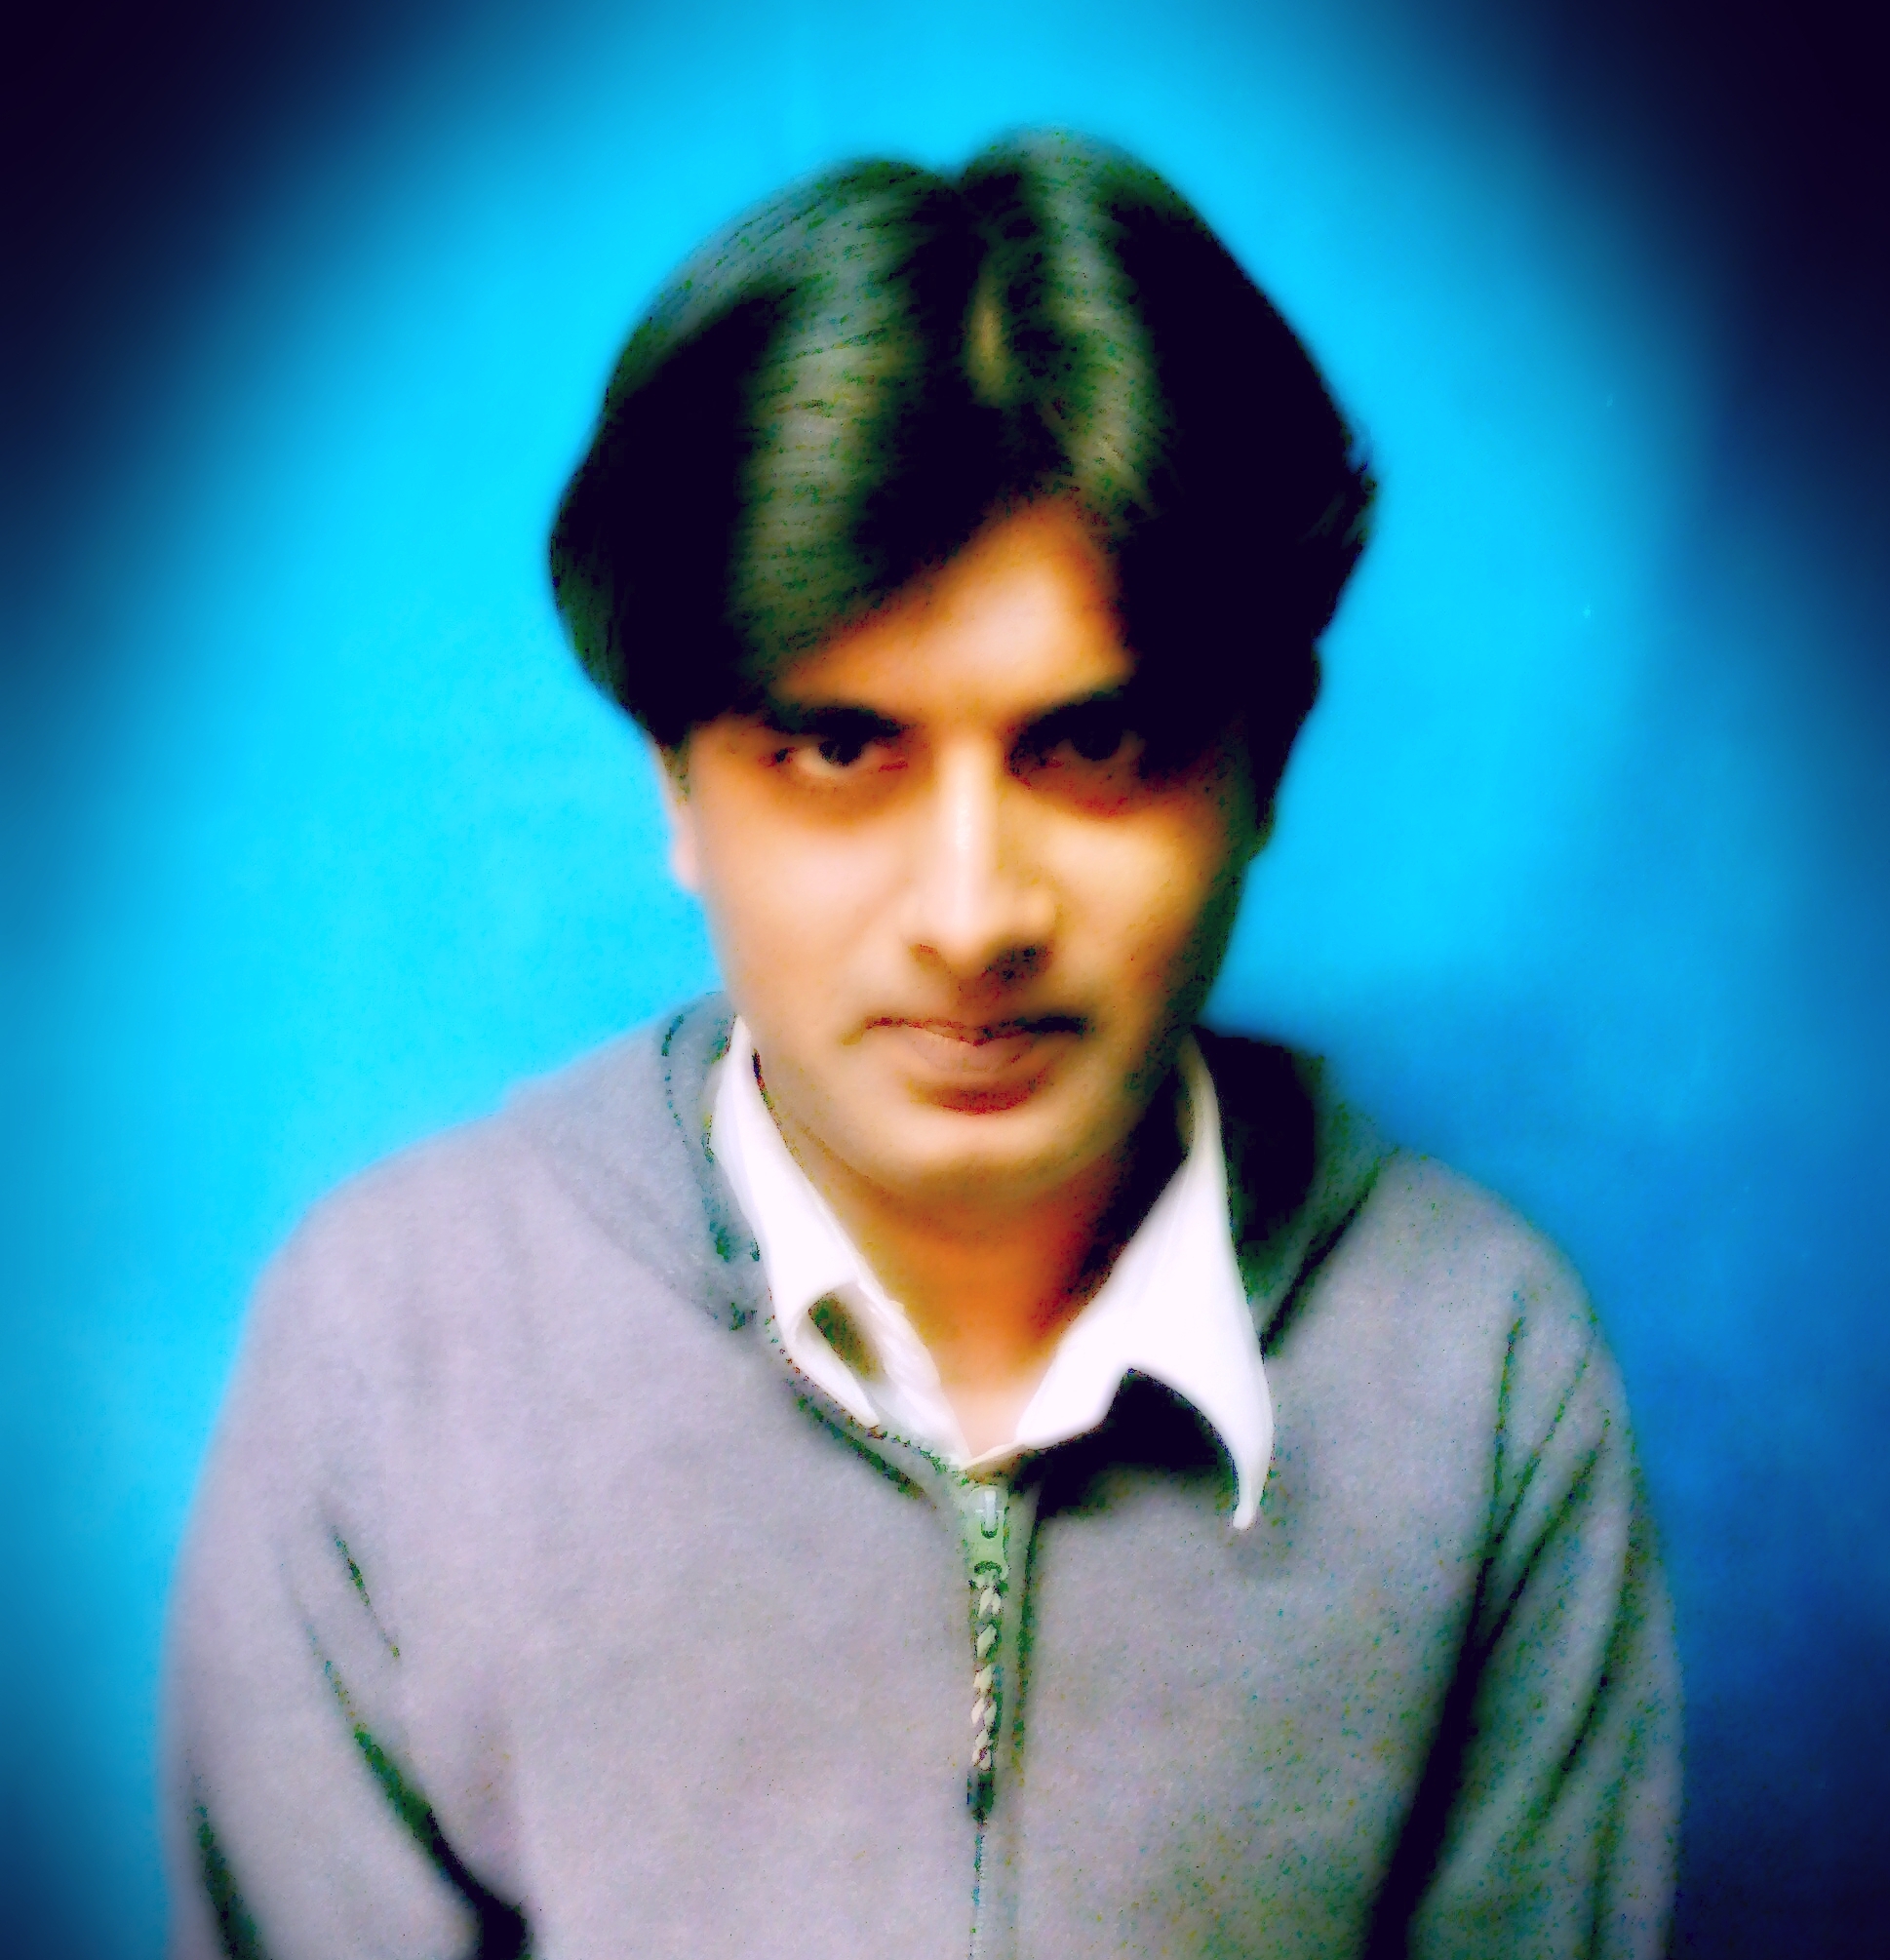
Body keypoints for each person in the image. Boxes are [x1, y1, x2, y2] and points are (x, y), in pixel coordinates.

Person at [163, 132, 1679, 1959]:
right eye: (837, 749)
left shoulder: (1484, 1374)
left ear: (1264, 762)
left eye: (1093, 744)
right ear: (678, 789)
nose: (971, 913)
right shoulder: (391, 1346)